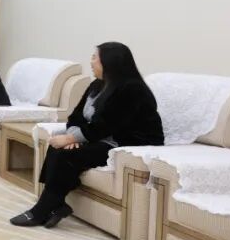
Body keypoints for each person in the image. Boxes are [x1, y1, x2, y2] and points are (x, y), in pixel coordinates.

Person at [11, 42, 164, 228]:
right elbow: (75, 116)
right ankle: (55, 204)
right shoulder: (97, 84)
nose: (91, 62)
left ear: (109, 62)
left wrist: (71, 138)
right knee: (57, 148)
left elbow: (108, 125)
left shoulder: (132, 88)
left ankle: (42, 210)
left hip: (128, 144)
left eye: (94, 58)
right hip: (103, 137)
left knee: (66, 155)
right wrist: (72, 136)